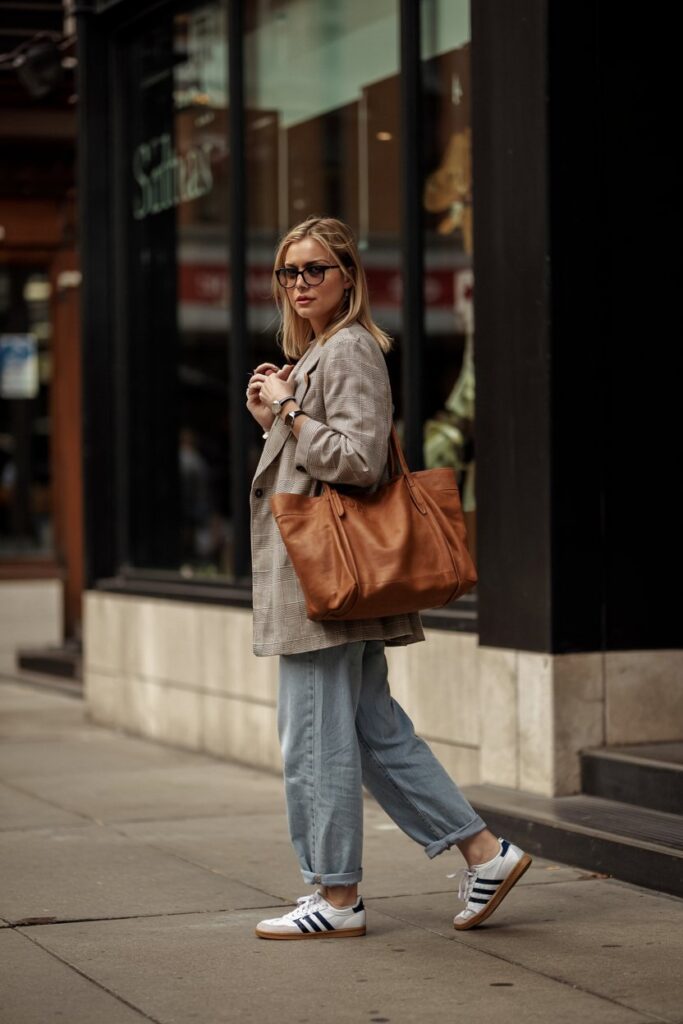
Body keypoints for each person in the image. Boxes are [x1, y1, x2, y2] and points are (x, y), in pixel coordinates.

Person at [245, 216, 531, 940]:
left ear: (348, 277)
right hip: (335, 578)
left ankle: (334, 897)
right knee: (374, 733)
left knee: (313, 741)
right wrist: (275, 419)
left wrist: (286, 409)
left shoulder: (345, 352)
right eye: (289, 272)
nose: (300, 283)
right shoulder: (321, 355)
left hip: (328, 582)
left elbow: (359, 461)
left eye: (315, 269)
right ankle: (483, 853)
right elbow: (326, 455)